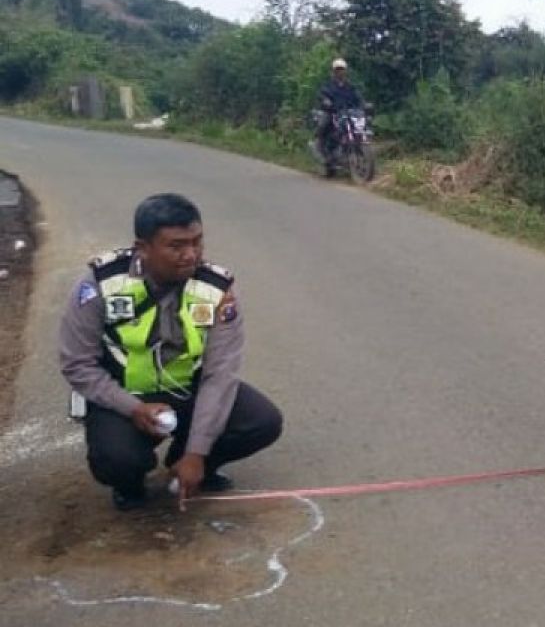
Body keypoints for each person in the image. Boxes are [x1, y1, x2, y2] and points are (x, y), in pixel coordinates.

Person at [59, 193, 283, 510]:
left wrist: (197, 452)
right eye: (176, 246)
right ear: (143, 248)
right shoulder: (101, 285)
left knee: (261, 421)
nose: (190, 255)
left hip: (187, 388)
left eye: (197, 242)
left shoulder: (216, 289)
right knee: (116, 458)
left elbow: (220, 375)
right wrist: (133, 407)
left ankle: (188, 466)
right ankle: (130, 484)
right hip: (124, 396)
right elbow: (78, 365)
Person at [313, 57, 365, 173]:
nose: (340, 72)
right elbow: (322, 95)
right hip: (332, 112)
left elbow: (358, 98)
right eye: (337, 69)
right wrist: (326, 101)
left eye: (342, 69)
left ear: (345, 71)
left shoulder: (350, 87)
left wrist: (364, 105)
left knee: (360, 128)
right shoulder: (328, 85)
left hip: (348, 114)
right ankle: (321, 146)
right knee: (324, 124)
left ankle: (352, 156)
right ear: (333, 71)